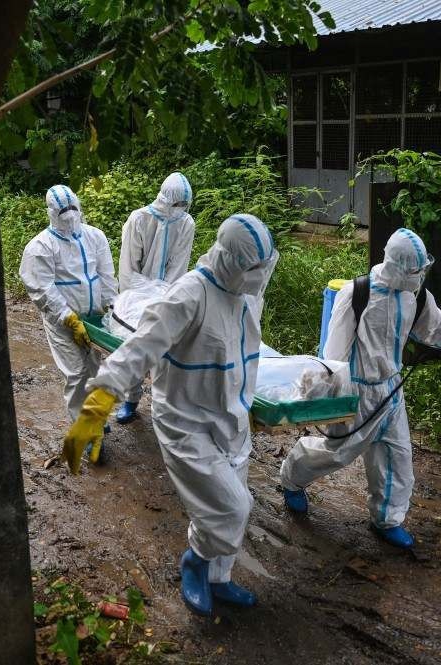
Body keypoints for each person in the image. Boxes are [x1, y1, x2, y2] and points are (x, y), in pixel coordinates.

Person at [61, 214, 277, 616]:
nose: (260, 276)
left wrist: (246, 402)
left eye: (265, 266)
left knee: (218, 508)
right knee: (232, 506)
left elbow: (239, 355)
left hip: (231, 419)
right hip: (186, 422)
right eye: (253, 268)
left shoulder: (245, 291)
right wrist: (97, 404)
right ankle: (195, 562)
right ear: (229, 260)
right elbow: (139, 348)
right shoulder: (189, 295)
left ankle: (219, 578)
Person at [279, 228, 441, 548]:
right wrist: (326, 393)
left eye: (422, 270)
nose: (420, 276)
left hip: (392, 390)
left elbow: (436, 327)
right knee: (339, 452)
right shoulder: (356, 295)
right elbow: (334, 354)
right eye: (415, 271)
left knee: (397, 457)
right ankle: (292, 477)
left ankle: (387, 518)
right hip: (357, 392)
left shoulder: (415, 296)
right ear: (396, 267)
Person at [19, 184, 117, 423]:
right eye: (63, 211)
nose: (70, 214)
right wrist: (69, 318)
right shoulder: (41, 247)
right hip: (63, 322)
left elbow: (106, 275)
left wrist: (112, 307)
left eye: (73, 207)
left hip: (94, 319)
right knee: (75, 374)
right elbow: (42, 289)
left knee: (95, 370)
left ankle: (95, 418)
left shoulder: (95, 236)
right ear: (52, 212)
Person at [115, 172, 196, 424]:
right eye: (176, 204)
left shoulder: (186, 223)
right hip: (134, 296)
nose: (180, 210)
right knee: (136, 347)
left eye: (184, 205)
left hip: (166, 294)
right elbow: (128, 268)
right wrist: (137, 299)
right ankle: (131, 400)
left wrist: (166, 297)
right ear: (165, 199)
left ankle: (164, 408)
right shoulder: (139, 220)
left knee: (166, 350)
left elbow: (178, 266)